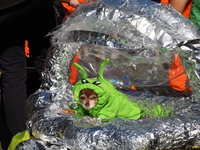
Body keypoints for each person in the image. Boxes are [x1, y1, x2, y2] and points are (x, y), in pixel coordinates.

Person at [0, 0, 65, 149]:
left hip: (5, 10)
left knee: (13, 73)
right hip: (37, 5)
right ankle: (52, 128)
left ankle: (21, 139)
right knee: (47, 66)